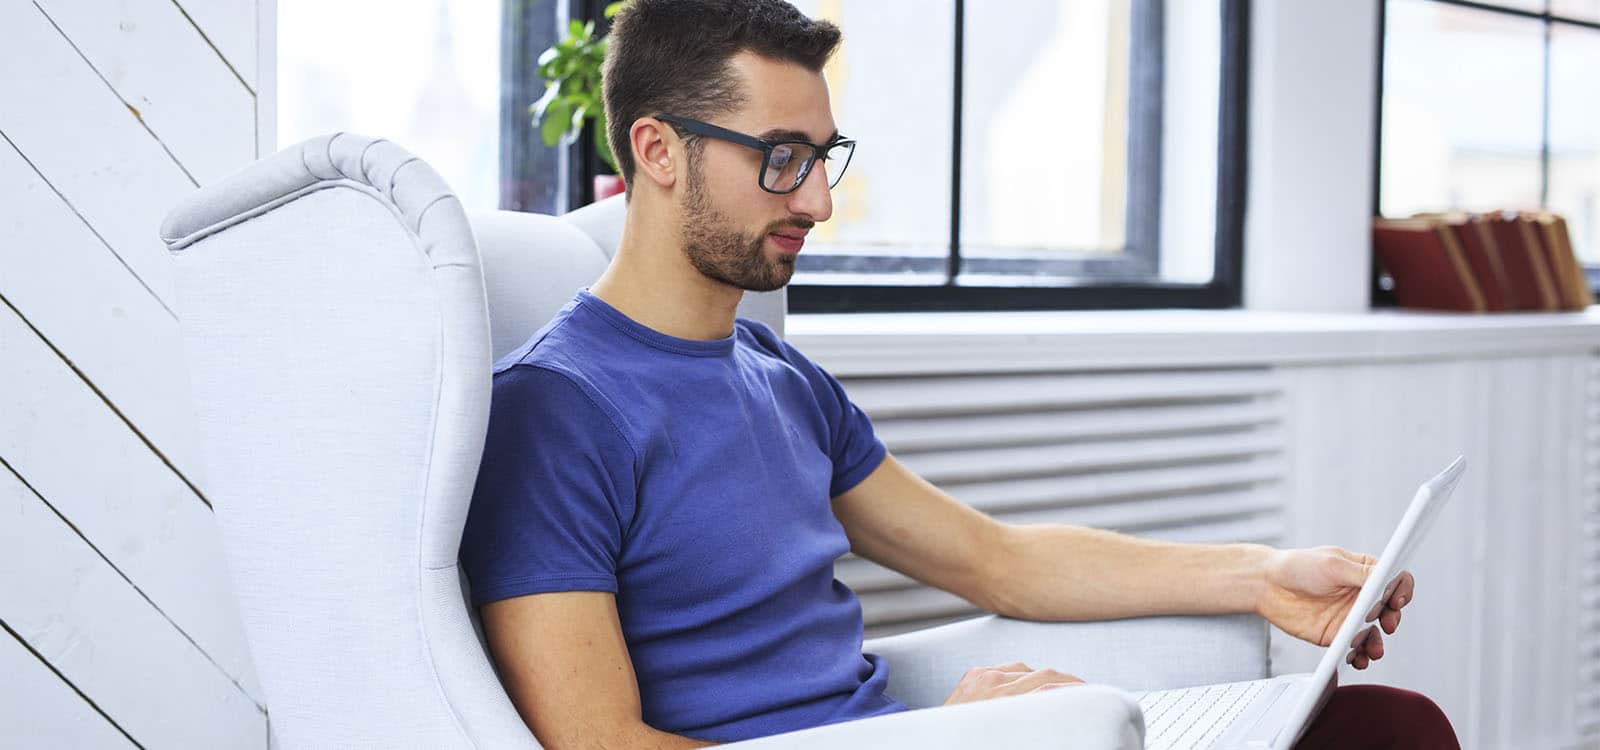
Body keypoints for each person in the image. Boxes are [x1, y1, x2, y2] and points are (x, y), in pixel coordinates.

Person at [458, 1, 1461, 747]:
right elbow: (599, 746)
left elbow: (994, 560)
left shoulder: (774, 374)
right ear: (656, 151)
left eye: (822, 156)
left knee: (1384, 727)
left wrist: (1260, 577)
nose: (815, 198)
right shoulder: (556, 414)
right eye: (778, 158)